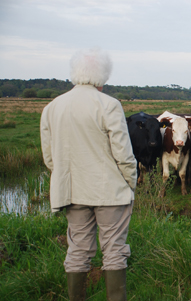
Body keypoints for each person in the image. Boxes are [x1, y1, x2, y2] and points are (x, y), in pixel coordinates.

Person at [40, 48, 137, 301]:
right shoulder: (109, 105)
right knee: (114, 250)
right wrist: (130, 182)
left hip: (72, 191)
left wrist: (66, 179)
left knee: (78, 249)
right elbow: (123, 153)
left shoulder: (52, 107)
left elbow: (50, 158)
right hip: (110, 192)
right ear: (102, 77)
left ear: (75, 73)